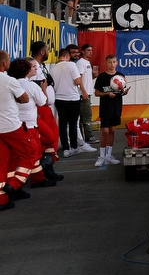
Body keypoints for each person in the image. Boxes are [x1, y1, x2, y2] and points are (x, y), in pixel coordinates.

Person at [7, 58, 55, 188]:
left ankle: (38, 178)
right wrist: (43, 88)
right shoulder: (31, 86)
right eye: (32, 67)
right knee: (32, 153)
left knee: (18, 156)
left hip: (17, 124)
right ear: (26, 70)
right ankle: (15, 185)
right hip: (29, 125)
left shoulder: (11, 83)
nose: (35, 69)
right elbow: (43, 102)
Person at [0, 50, 31, 209]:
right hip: (11, 126)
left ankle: (2, 199)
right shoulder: (8, 80)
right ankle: (15, 184)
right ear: (4, 64)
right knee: (30, 152)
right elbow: (24, 99)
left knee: (3, 162)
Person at [50, 48, 91, 157]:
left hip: (59, 98)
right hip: (72, 98)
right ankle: (74, 147)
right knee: (73, 123)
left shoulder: (53, 68)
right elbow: (77, 81)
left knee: (63, 124)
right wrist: (84, 91)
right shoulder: (71, 65)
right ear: (67, 56)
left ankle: (66, 148)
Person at [93, 55, 128, 167]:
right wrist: (107, 94)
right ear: (106, 63)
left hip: (116, 107)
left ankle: (109, 156)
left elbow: (121, 90)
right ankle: (101, 156)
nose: (112, 64)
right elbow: (96, 93)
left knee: (112, 130)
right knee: (105, 131)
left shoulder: (120, 76)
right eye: (110, 62)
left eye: (114, 62)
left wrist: (124, 92)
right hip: (105, 107)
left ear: (117, 63)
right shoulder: (102, 77)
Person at [73, 44, 96, 145]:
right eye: (88, 50)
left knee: (86, 116)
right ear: (82, 51)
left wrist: (93, 76)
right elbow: (79, 79)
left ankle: (84, 137)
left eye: (91, 50)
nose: (90, 52)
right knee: (86, 116)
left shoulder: (87, 62)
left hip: (87, 92)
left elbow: (85, 79)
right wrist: (83, 91)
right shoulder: (81, 63)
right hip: (83, 94)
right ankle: (88, 137)